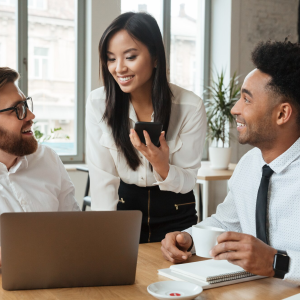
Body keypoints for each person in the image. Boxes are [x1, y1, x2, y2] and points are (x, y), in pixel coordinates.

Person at [161, 39, 300, 284]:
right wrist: (189, 238)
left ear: (282, 114)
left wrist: (275, 261)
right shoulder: (249, 165)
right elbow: (226, 221)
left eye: (247, 100)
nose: (235, 109)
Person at [86, 12, 207, 243]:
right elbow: (102, 178)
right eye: (111, 58)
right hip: (126, 211)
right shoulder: (97, 103)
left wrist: (162, 166)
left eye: (130, 57)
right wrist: (103, 236)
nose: (119, 68)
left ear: (155, 57)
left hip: (176, 213)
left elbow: (189, 180)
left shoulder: (189, 106)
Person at [0, 67, 80, 266]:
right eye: (17, 109)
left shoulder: (47, 159)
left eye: (26, 105)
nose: (31, 116)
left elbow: (75, 229)